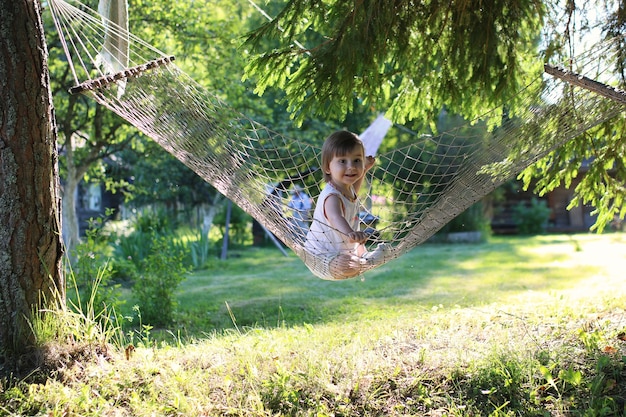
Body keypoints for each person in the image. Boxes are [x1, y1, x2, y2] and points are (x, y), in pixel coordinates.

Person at [305, 130, 391, 280]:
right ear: (327, 167)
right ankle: (369, 261)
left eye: (357, 160)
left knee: (351, 262)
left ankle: (364, 259)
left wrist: (364, 170)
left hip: (341, 251)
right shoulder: (331, 196)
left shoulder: (347, 189)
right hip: (321, 256)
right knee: (346, 265)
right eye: (343, 161)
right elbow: (335, 217)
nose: (351, 167)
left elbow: (356, 186)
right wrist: (350, 233)